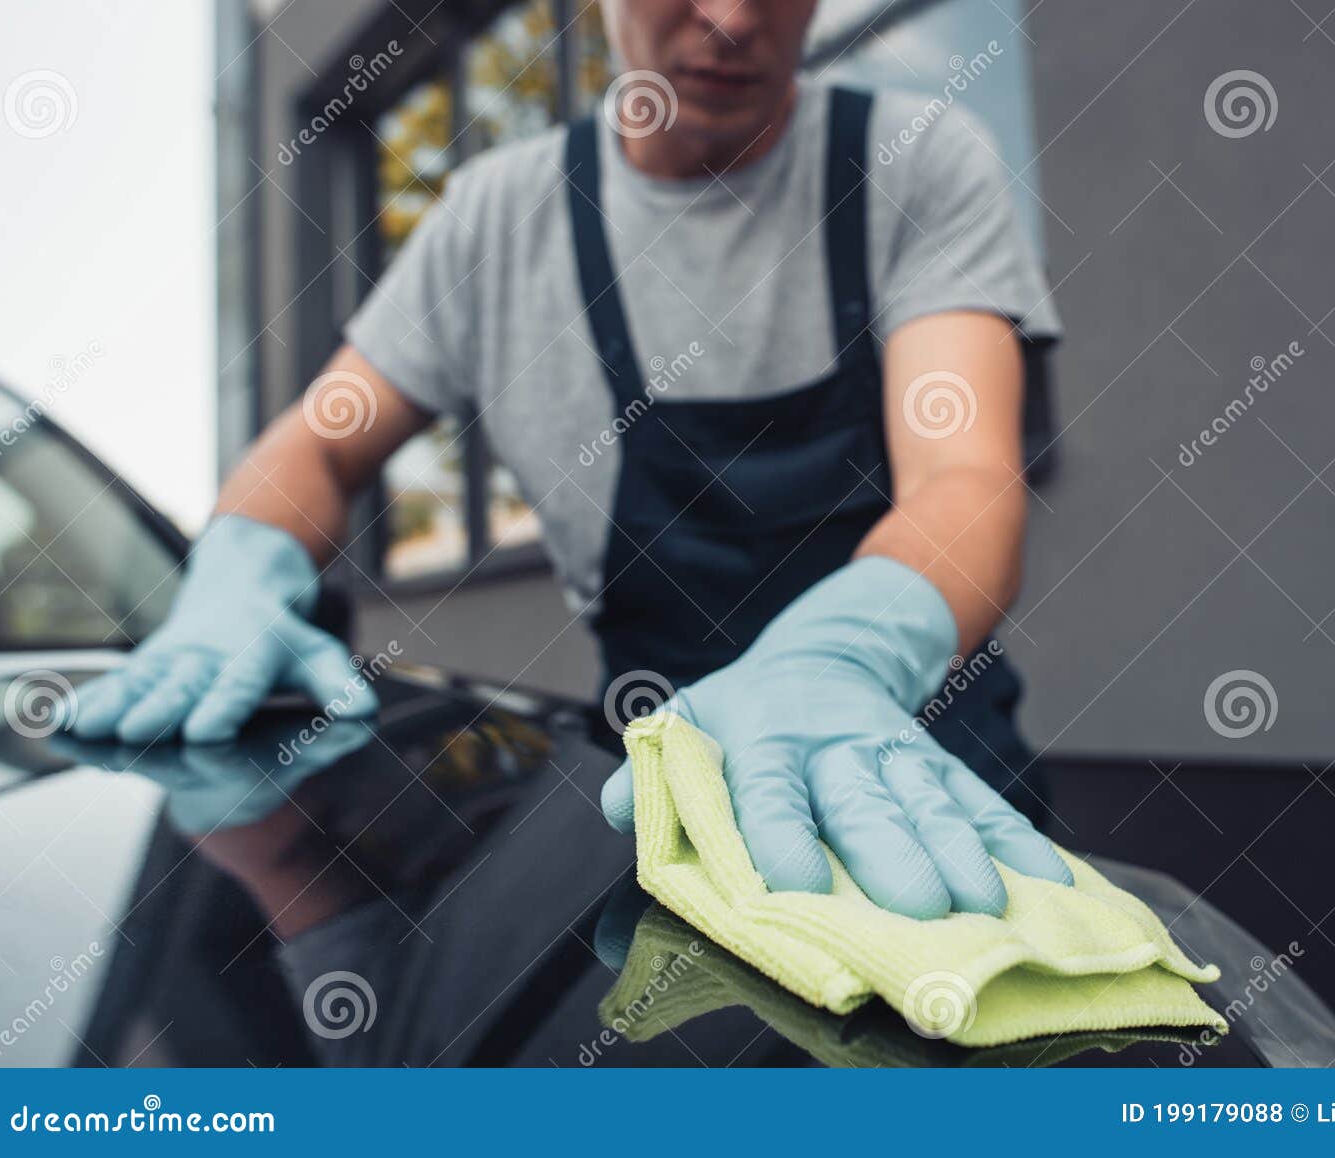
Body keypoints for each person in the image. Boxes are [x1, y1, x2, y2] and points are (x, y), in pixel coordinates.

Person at [65, 0, 1070, 919]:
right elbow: (320, 440)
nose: (729, 19)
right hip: (666, 818)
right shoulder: (493, 221)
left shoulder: (914, 160)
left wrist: (839, 656)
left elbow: (964, 480)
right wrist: (237, 573)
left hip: (934, 787)